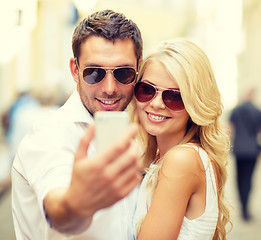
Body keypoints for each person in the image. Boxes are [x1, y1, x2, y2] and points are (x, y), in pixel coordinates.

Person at [12, 9, 143, 240]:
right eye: (94, 73)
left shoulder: (141, 133)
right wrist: (77, 204)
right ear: (75, 70)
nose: (110, 88)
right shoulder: (48, 134)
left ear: (138, 70)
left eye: (123, 73)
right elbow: (59, 210)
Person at [130, 39, 232, 240]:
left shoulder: (181, 160)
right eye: (147, 90)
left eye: (174, 96)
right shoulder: (166, 157)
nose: (157, 103)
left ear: (195, 103)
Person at [229, 87, 261, 221]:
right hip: (252, 150)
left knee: (239, 179)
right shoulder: (257, 111)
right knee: (248, 179)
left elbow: (230, 129)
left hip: (239, 149)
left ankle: (242, 207)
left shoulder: (236, 110)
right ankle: (246, 209)